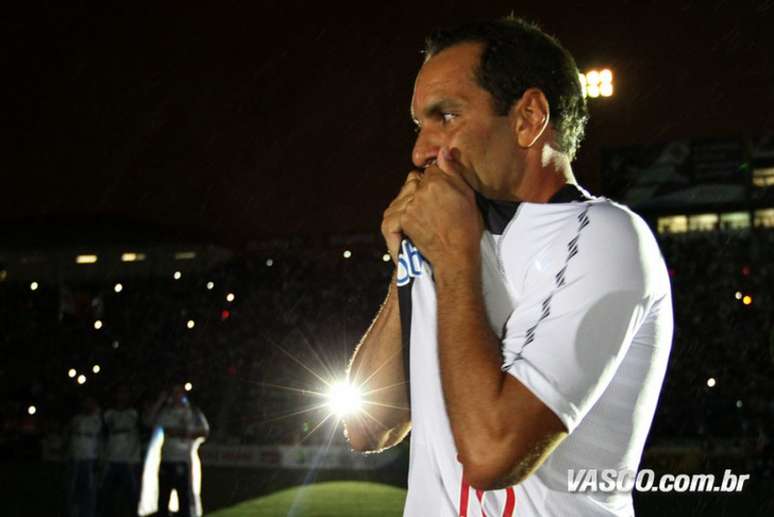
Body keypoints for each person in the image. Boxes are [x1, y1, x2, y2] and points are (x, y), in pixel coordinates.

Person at [344, 16, 673, 517]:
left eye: (446, 116)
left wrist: (454, 258)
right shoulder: (455, 239)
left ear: (527, 118)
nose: (420, 149)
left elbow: (491, 456)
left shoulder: (604, 237)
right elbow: (369, 426)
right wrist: (408, 266)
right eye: (420, 125)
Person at [143, 385, 209, 517]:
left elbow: (205, 431)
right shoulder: (166, 412)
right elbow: (148, 422)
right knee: (163, 499)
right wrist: (159, 402)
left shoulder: (192, 412)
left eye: (179, 392)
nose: (176, 396)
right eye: (173, 393)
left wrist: (183, 432)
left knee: (184, 498)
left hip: (183, 460)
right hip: (166, 460)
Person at [99, 385, 141, 517]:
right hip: (112, 460)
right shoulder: (109, 414)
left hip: (129, 460)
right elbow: (104, 432)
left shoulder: (134, 413)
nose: (122, 397)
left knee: (132, 495)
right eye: (119, 394)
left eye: (124, 394)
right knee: (108, 493)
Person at [65, 395, 102, 517]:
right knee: (73, 487)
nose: (88, 405)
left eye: (90, 403)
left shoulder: (97, 418)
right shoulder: (77, 418)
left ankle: (88, 513)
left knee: (89, 488)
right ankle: (73, 512)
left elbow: (97, 432)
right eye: (86, 403)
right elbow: (70, 433)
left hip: (89, 457)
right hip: (76, 456)